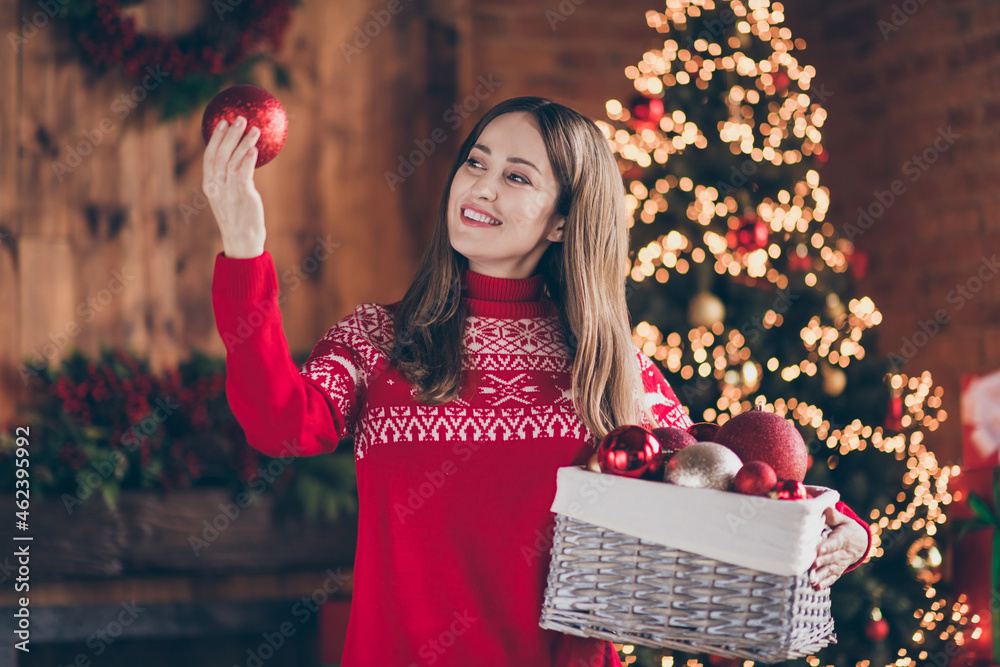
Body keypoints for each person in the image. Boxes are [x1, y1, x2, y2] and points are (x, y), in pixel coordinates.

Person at [204, 96, 872, 667]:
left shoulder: (611, 368)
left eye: (517, 176)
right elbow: (278, 422)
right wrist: (243, 247)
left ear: (562, 219)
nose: (482, 186)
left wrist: (844, 526)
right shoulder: (379, 340)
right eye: (476, 161)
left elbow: (724, 479)